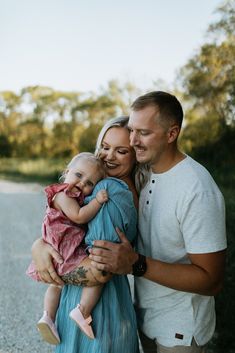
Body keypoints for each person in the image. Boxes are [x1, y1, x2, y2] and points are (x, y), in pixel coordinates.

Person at [89, 91, 227, 353]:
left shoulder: (197, 189)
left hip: (181, 329)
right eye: (131, 130)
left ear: (172, 134)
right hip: (143, 314)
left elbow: (212, 280)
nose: (133, 141)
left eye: (143, 133)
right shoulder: (144, 174)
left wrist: (135, 263)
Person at [30, 116, 140, 353]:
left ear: (135, 155)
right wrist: (39, 245)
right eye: (105, 147)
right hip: (86, 294)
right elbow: (66, 228)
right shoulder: (97, 188)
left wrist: (52, 267)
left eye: (121, 151)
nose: (109, 156)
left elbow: (99, 268)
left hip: (99, 302)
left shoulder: (109, 189)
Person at [27, 152, 109, 343]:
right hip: (64, 250)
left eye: (89, 183)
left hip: (58, 248)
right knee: (97, 278)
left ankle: (48, 317)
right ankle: (82, 311)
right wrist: (97, 200)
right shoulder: (63, 195)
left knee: (56, 285)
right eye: (79, 175)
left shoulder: (70, 195)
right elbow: (79, 216)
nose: (82, 184)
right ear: (66, 172)